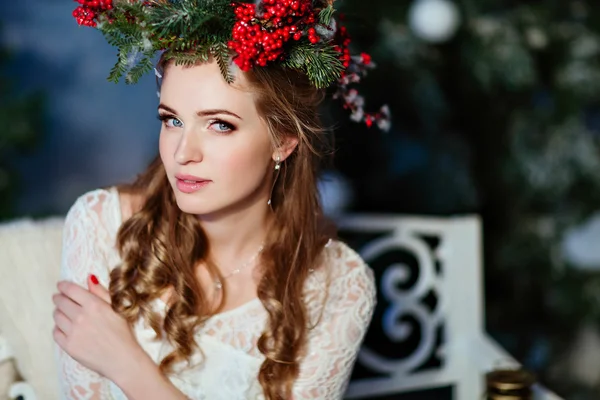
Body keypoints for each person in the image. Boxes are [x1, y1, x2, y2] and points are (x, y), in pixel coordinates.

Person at [53, 0, 389, 399]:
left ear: (282, 142)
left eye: (219, 125)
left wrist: (127, 365)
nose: (182, 153)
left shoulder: (339, 285)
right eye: (171, 119)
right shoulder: (101, 224)